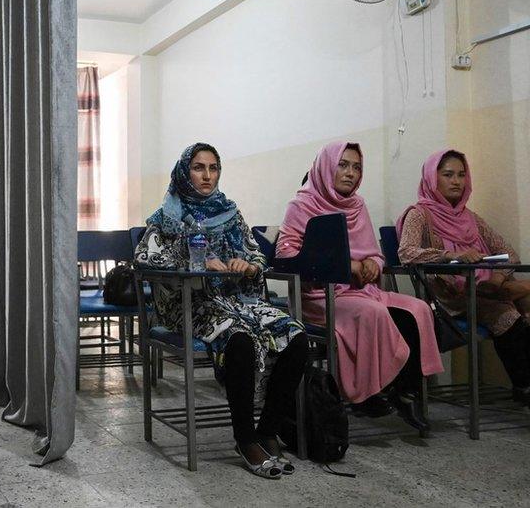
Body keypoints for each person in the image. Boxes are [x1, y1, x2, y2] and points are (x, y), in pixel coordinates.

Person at [135, 143, 307, 479]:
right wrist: (196, 263)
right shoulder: (167, 216)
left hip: (238, 299)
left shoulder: (230, 212)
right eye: (199, 168)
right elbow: (144, 259)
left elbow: (258, 255)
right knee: (238, 339)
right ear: (186, 172)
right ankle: (245, 439)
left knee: (296, 337)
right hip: (191, 304)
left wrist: (249, 265)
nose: (207, 175)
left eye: (213, 168)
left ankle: (268, 429)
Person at [276, 141, 442, 431]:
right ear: (326, 166)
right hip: (319, 297)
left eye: (356, 167)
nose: (351, 173)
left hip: (362, 290)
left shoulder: (357, 205)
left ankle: (406, 392)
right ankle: (370, 392)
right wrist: (345, 265)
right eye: (343, 165)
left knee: (417, 310)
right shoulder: (302, 205)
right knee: (371, 313)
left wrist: (372, 266)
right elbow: (286, 254)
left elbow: (375, 254)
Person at [397, 149, 530, 405]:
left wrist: (499, 278)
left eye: (461, 175)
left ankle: (523, 386)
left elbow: (509, 253)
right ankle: (523, 387)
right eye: (448, 175)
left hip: (484, 290)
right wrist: (447, 256)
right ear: (432, 179)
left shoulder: (470, 218)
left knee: (521, 313)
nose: (456, 181)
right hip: (449, 298)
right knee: (509, 317)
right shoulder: (419, 214)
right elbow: (406, 252)